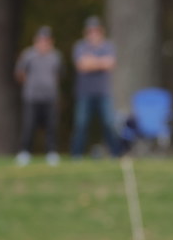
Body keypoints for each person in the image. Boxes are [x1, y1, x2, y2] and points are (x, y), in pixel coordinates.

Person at [70, 16, 122, 158]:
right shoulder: (80, 46)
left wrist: (91, 61)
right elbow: (82, 66)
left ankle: (116, 154)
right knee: (81, 124)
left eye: (96, 31)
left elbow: (110, 64)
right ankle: (76, 155)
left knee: (108, 123)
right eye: (90, 31)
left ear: (101, 32)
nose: (93, 34)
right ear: (86, 32)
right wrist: (100, 62)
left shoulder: (108, 46)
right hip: (84, 93)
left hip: (104, 92)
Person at [14, 26, 63, 166]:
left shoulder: (55, 56)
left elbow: (58, 75)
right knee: (29, 125)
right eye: (41, 40)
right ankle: (24, 152)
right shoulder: (28, 55)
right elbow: (20, 73)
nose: (44, 43)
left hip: (50, 97)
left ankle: (51, 153)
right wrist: (31, 84)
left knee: (51, 126)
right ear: (36, 41)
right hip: (32, 97)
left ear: (51, 41)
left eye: (46, 40)